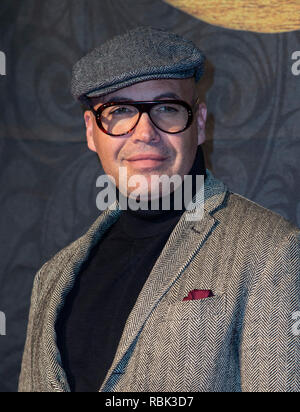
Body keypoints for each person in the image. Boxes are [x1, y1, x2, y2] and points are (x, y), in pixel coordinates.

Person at [19, 26, 300, 393]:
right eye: (120, 111)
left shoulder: (271, 252)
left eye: (166, 109)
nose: (145, 133)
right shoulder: (51, 278)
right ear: (92, 132)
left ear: (198, 124)